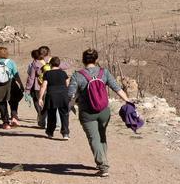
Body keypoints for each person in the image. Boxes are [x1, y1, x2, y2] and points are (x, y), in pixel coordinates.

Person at [67, 48, 132, 177]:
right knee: (101, 136)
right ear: (96, 60)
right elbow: (117, 88)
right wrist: (128, 101)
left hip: (87, 112)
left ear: (83, 60)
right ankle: (103, 160)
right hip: (104, 111)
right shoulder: (104, 72)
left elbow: (70, 94)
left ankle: (103, 166)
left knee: (93, 138)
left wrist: (70, 105)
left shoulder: (77, 75)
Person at [0, 45, 24, 129]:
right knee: (14, 100)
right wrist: (21, 84)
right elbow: (16, 75)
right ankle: (14, 117)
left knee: (2, 103)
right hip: (11, 84)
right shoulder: (11, 62)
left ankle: (6, 123)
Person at [36, 56, 71, 140]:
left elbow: (43, 86)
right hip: (63, 96)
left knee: (51, 115)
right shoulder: (63, 73)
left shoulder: (47, 73)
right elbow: (67, 84)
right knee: (64, 115)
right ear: (59, 64)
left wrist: (40, 98)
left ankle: (50, 132)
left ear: (50, 64)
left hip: (51, 96)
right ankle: (65, 133)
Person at [24, 48, 46, 127]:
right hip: (47, 86)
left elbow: (31, 78)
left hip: (37, 87)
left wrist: (27, 89)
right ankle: (45, 119)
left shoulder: (35, 64)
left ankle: (42, 120)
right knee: (45, 103)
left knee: (37, 103)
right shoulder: (46, 62)